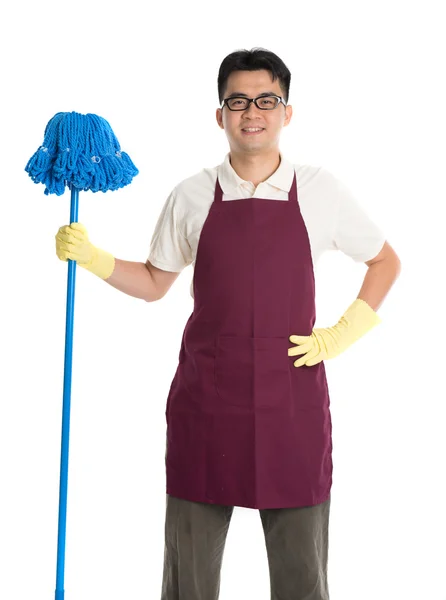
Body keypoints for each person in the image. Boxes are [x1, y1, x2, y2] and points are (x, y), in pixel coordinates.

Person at [55, 47, 401, 600]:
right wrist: (92, 258)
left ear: (288, 111)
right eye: (237, 101)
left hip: (292, 403)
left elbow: (385, 262)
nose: (252, 112)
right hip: (206, 401)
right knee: (188, 575)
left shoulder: (320, 189)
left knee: (301, 574)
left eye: (267, 99)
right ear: (220, 114)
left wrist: (341, 334)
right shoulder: (191, 194)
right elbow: (152, 282)